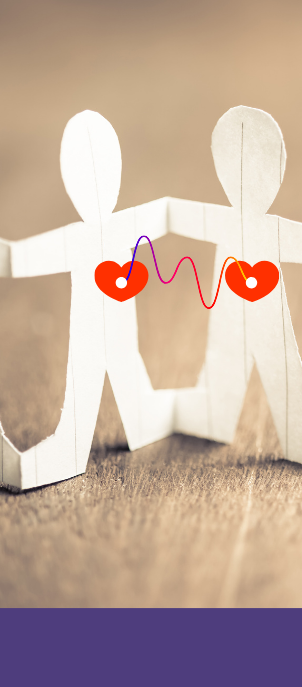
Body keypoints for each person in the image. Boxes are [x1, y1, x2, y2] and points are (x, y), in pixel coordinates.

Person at [0, 110, 176, 491]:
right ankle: (63, 454)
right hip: (90, 340)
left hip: (120, 340)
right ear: (70, 184)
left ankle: (136, 424)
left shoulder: (126, 225)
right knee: (86, 403)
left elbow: (164, 214)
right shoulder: (80, 237)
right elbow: (22, 257)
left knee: (135, 403)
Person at [168, 106, 302, 472]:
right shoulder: (222, 220)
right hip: (229, 317)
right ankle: (212, 417)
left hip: (267, 319)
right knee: (224, 371)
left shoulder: (267, 228)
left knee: (283, 373)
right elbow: (176, 214)